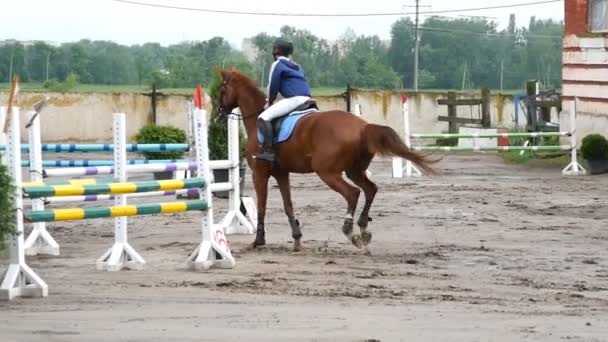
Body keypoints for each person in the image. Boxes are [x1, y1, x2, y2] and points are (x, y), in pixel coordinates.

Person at [256, 38, 312, 162]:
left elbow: (272, 86)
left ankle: (268, 151)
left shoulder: (277, 64)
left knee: (263, 117)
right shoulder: (297, 65)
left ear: (276, 50)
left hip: (294, 99)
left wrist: (269, 102)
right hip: (308, 99)